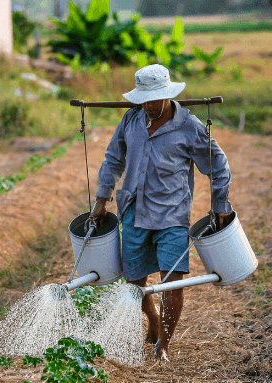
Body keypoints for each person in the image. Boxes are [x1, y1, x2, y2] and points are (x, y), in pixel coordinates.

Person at [90, 64, 234, 361]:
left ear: (168, 95)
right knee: (135, 283)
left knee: (173, 280)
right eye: (144, 99)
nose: (149, 105)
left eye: (155, 99)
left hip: (172, 215)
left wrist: (220, 205)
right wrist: (102, 198)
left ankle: (163, 346)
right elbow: (113, 158)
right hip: (133, 211)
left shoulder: (189, 127)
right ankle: (154, 321)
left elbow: (218, 165)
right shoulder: (131, 120)